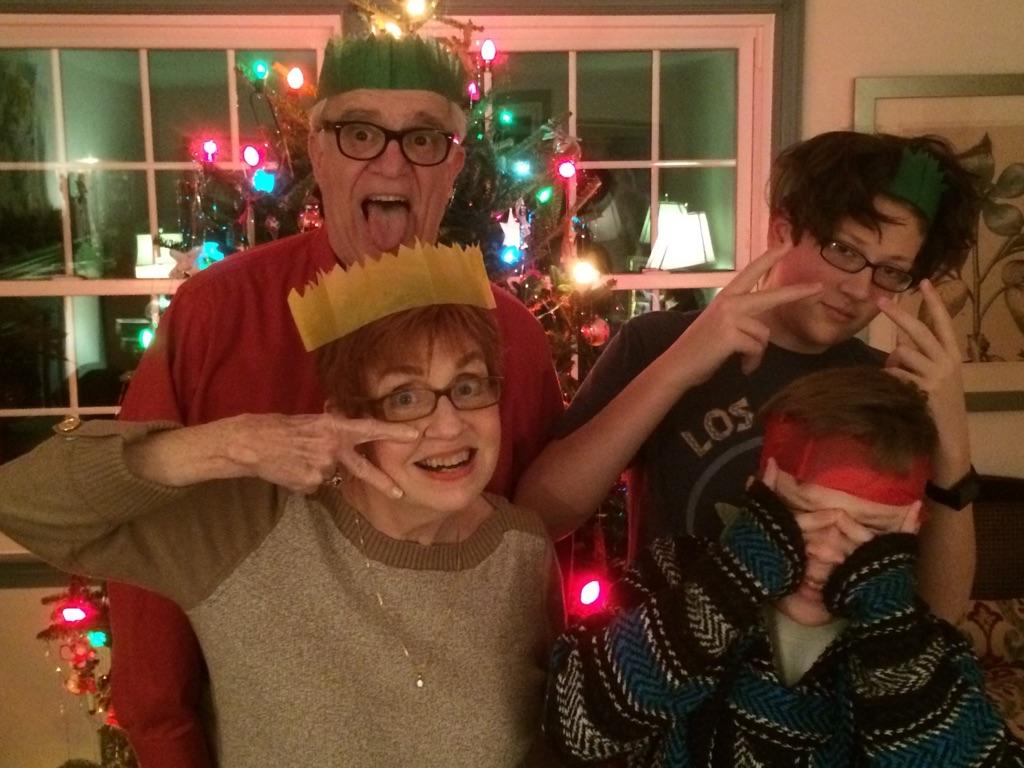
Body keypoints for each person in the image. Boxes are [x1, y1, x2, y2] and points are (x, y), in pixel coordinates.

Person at [109, 34, 563, 767]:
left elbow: (528, 540)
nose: (389, 161)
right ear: (317, 151)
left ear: (453, 162)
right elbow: (139, 560)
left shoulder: (508, 333)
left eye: (421, 137)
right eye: (359, 132)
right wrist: (169, 745)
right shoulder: (215, 314)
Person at [1, 242, 563, 768]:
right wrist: (230, 443)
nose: (448, 425)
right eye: (405, 398)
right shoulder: (250, 532)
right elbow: (22, 500)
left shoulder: (521, 552)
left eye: (468, 386)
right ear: (342, 414)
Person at [517, 131, 981, 624]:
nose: (859, 288)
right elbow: (540, 516)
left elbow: (940, 617)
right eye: (844, 250)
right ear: (782, 233)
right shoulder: (657, 342)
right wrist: (676, 369)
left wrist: (953, 445)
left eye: (890, 271)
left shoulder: (883, 384)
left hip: (814, 692)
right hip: (668, 675)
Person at [544, 366, 1024, 766]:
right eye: (802, 515)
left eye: (869, 531)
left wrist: (893, 635)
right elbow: (574, 725)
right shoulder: (676, 572)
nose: (828, 552)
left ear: (912, 529)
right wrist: (731, 580)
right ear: (761, 492)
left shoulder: (920, 648)